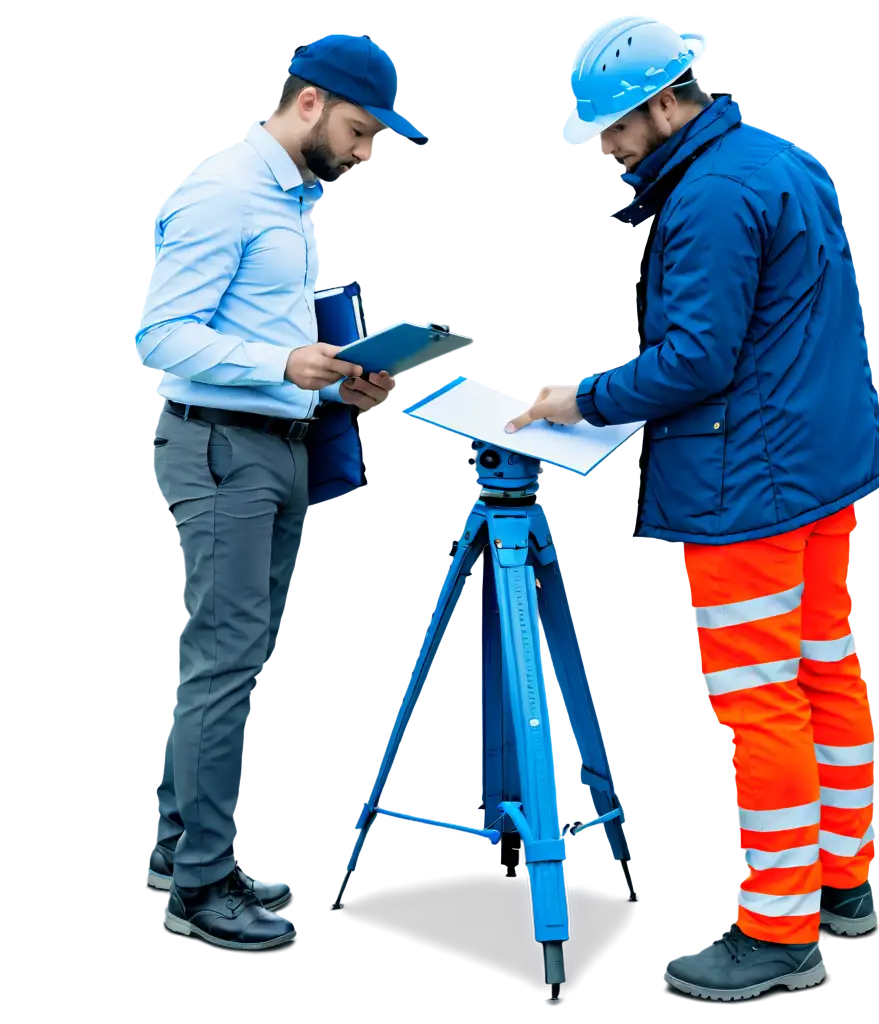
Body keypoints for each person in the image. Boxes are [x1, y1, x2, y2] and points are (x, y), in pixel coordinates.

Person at [506, 15, 879, 1001]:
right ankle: (840, 879)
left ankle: (776, 932)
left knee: (758, 698)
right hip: (819, 470)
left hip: (746, 489)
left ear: (666, 102)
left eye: (615, 126)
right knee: (825, 671)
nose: (604, 146)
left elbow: (697, 358)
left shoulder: (709, 193)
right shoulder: (777, 158)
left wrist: (577, 398)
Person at [134, 32, 428, 951]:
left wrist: (337, 375)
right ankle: (201, 886)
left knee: (225, 659)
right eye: (358, 130)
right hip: (224, 453)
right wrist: (279, 360)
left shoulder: (291, 197)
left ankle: (178, 842)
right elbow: (159, 341)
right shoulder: (222, 193)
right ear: (309, 103)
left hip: (276, 445)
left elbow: (260, 327)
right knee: (224, 662)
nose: (364, 153)